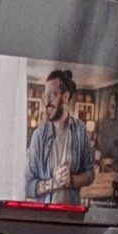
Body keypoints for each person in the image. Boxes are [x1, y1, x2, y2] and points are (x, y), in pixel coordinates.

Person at [25, 69, 93, 202]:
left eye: (52, 95)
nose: (47, 101)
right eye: (45, 96)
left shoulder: (81, 131)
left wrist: (72, 180)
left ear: (65, 97)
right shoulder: (38, 136)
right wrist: (54, 183)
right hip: (44, 217)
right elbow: (28, 186)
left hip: (72, 217)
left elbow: (90, 174)